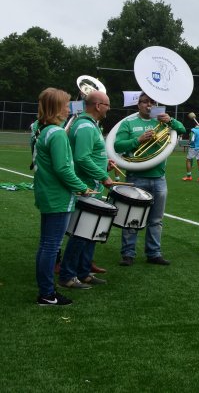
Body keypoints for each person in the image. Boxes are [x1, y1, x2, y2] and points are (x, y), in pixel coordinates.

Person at [32, 88, 92, 306]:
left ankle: (46, 290)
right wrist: (82, 187)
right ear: (56, 107)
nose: (69, 108)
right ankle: (47, 293)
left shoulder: (44, 129)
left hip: (48, 193)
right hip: (57, 196)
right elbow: (63, 169)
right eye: (65, 105)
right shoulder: (56, 133)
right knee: (51, 246)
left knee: (46, 245)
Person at [114, 93, 186, 266]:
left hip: (159, 178)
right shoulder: (128, 123)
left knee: (156, 220)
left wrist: (171, 121)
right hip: (136, 177)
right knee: (132, 217)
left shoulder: (162, 121)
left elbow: (182, 129)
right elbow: (117, 145)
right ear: (138, 105)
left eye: (152, 102)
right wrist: (138, 140)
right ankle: (128, 254)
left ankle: (154, 253)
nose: (148, 105)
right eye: (144, 102)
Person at [58, 91, 114, 290]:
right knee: (82, 233)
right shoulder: (84, 126)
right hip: (86, 188)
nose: (109, 108)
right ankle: (67, 275)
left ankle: (83, 272)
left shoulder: (88, 125)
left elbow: (90, 155)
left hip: (92, 187)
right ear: (98, 106)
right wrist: (103, 176)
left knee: (91, 232)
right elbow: (81, 158)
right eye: (107, 105)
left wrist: (103, 164)